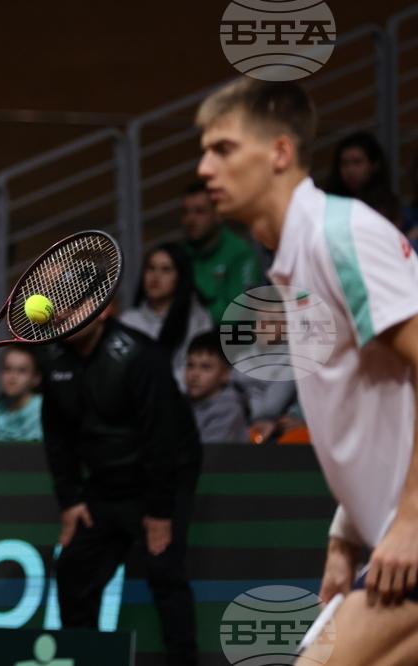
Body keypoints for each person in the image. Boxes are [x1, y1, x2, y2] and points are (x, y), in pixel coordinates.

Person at [196, 78, 418, 665]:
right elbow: (378, 403)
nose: (204, 168)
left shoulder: (338, 237)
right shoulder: (297, 257)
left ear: (279, 152)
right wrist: (346, 534)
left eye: (223, 149)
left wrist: (412, 520)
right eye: (204, 150)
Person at [39, 307, 202, 666]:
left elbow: (162, 437)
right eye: (62, 303)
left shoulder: (141, 356)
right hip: (104, 481)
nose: (64, 313)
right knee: (74, 570)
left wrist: (160, 511)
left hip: (162, 476)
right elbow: (56, 435)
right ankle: (83, 660)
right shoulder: (52, 357)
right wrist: (69, 500)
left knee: (165, 571)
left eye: (77, 304)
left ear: (103, 310)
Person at [119, 243, 214, 390]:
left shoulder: (197, 319)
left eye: (166, 269)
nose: (155, 276)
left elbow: (201, 372)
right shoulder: (128, 321)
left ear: (180, 277)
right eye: (151, 268)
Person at [180, 181, 263, 324]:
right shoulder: (181, 253)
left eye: (199, 211)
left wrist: (193, 319)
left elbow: (241, 312)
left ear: (219, 215)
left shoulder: (241, 254)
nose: (190, 219)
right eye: (185, 212)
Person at [184, 332, 247, 443]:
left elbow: (208, 453)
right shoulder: (178, 403)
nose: (195, 374)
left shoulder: (228, 411)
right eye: (190, 365)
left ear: (225, 373)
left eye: (206, 367)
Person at [0, 347, 43, 442]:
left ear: (36, 378)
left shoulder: (45, 411)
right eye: (7, 369)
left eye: (22, 370)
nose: (12, 377)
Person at [324, 130, 392, 201]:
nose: (350, 170)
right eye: (344, 163)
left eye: (357, 162)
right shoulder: (331, 201)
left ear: (375, 165)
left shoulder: (385, 204)